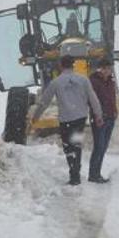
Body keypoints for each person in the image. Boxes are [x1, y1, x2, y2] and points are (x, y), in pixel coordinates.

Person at [31, 55, 103, 185]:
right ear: (73, 65)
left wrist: (35, 117)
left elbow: (44, 102)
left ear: (61, 65)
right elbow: (93, 98)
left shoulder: (56, 82)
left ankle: (74, 175)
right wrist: (98, 115)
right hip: (80, 118)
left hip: (66, 119)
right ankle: (76, 173)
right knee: (76, 144)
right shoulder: (83, 80)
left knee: (68, 147)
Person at [88, 59, 117, 183]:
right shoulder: (93, 81)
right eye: (106, 69)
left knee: (103, 147)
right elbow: (91, 100)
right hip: (99, 118)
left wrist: (114, 111)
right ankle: (93, 175)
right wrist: (97, 115)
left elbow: (112, 97)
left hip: (110, 117)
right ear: (100, 69)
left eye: (110, 69)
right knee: (98, 147)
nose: (108, 71)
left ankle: (97, 173)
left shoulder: (111, 81)